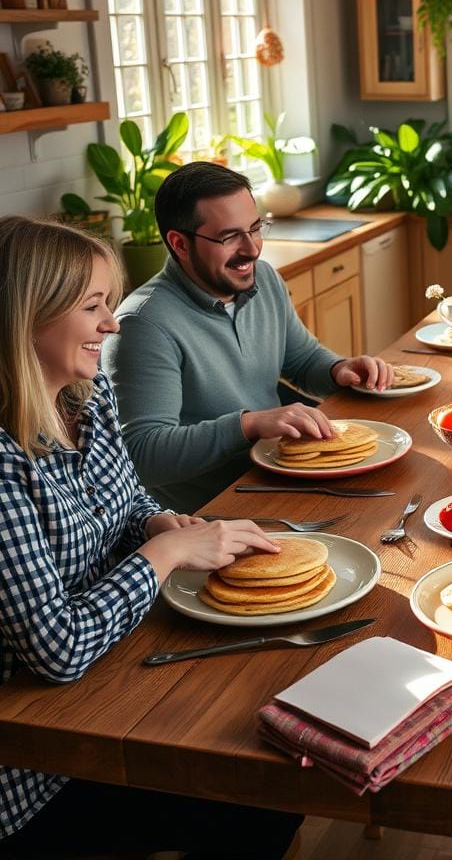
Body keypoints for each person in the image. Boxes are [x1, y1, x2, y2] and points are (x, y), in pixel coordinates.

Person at [0, 216, 302, 857]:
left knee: (276, 778)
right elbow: (55, 650)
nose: (111, 325)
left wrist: (156, 521)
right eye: (93, 307)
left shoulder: (86, 392)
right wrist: (163, 554)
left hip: (117, 677)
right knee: (261, 801)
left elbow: (126, 496)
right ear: (26, 319)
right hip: (38, 770)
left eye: (109, 303)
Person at [102, 162, 394, 513]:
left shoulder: (263, 278)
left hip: (281, 477)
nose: (252, 249)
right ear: (179, 243)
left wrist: (338, 369)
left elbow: (300, 359)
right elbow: (143, 454)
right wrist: (248, 424)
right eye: (229, 237)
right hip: (213, 512)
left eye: (256, 228)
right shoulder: (143, 324)